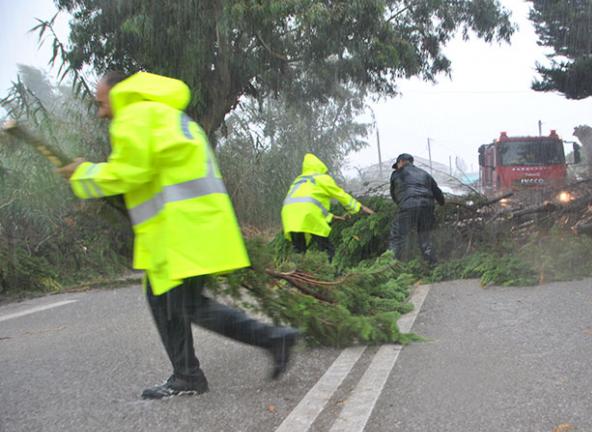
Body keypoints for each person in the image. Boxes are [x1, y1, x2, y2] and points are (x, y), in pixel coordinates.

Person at [57, 71, 298, 400]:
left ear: (120, 92)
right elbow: (149, 173)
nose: (101, 112)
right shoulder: (169, 115)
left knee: (185, 305)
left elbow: (129, 173)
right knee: (162, 300)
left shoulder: (134, 117)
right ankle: (187, 375)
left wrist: (83, 174)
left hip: (180, 229)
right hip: (189, 225)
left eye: (101, 103)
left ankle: (272, 338)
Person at [281, 153, 374, 262]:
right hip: (309, 215)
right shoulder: (322, 178)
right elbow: (342, 195)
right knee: (326, 249)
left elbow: (308, 205)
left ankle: (296, 276)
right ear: (320, 166)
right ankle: (331, 273)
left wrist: (334, 217)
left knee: (299, 250)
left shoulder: (298, 180)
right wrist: (360, 207)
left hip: (289, 216)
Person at [388, 153, 445, 265]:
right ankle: (432, 264)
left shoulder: (396, 174)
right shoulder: (425, 174)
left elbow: (394, 194)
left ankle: (391, 266)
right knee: (425, 237)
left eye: (398, 164)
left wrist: (401, 205)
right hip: (427, 206)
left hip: (408, 205)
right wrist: (442, 203)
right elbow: (438, 193)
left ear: (401, 162)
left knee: (397, 237)